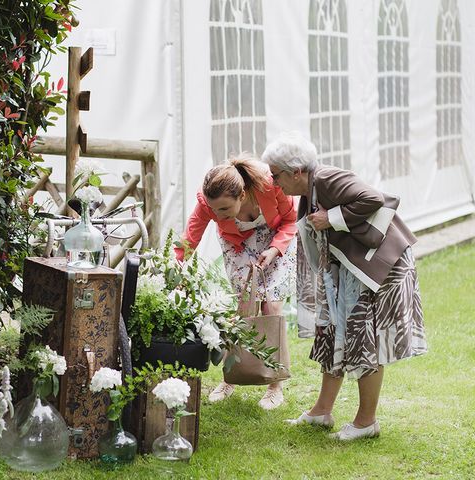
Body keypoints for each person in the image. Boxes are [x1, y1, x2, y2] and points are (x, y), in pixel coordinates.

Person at [262, 131, 427, 440]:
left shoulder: (326, 178)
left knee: (365, 337)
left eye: (276, 175)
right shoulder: (309, 187)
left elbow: (373, 199)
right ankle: (321, 412)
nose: (275, 183)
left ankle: (366, 422)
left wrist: (332, 217)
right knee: (332, 333)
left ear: (296, 170)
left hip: (382, 266)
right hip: (351, 268)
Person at [175, 154, 297, 410]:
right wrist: (175, 269)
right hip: (237, 242)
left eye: (223, 209)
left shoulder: (270, 185)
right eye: (213, 209)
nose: (216, 214)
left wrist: (274, 249)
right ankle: (231, 377)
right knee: (243, 309)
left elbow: (290, 220)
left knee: (271, 308)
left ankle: (275, 384)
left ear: (242, 196)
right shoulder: (208, 203)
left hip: (277, 240)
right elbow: (190, 239)